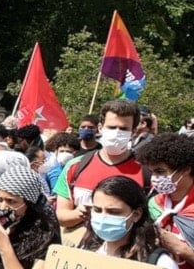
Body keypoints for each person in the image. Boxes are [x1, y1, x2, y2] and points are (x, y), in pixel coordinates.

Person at [54, 100, 148, 248]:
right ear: (100, 128)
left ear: (133, 132)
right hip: (79, 251)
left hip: (127, 254)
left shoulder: (146, 171)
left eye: (123, 129)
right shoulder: (76, 166)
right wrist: (82, 213)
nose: (117, 133)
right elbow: (61, 216)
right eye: (111, 127)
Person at [135, 133, 194, 269]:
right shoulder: (154, 204)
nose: (154, 178)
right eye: (152, 172)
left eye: (160, 172)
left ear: (185, 170)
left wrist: (182, 250)